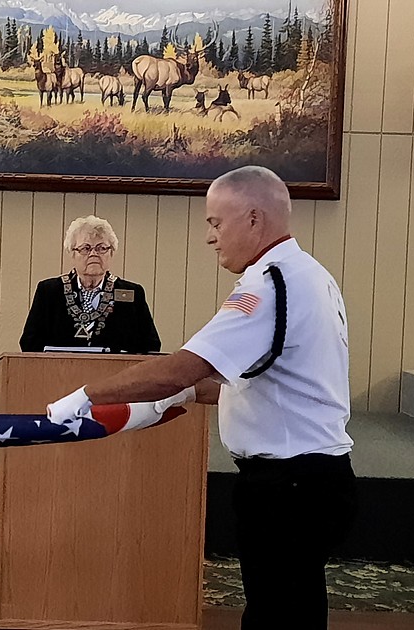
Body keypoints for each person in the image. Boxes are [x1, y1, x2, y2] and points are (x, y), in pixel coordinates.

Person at [48, 166, 356, 630]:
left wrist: (86, 395)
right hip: (315, 477)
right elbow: (260, 380)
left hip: (289, 485)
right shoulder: (311, 274)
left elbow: (183, 365)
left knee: (277, 617)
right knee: (294, 609)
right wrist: (188, 395)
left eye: (216, 222)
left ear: (253, 219)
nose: (210, 236)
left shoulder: (268, 287)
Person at [19, 215, 160, 353]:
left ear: (111, 253)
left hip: (116, 374)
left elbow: (151, 346)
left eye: (101, 248)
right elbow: (29, 343)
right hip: (60, 373)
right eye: (86, 248)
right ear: (72, 254)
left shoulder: (132, 293)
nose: (94, 254)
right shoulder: (49, 292)